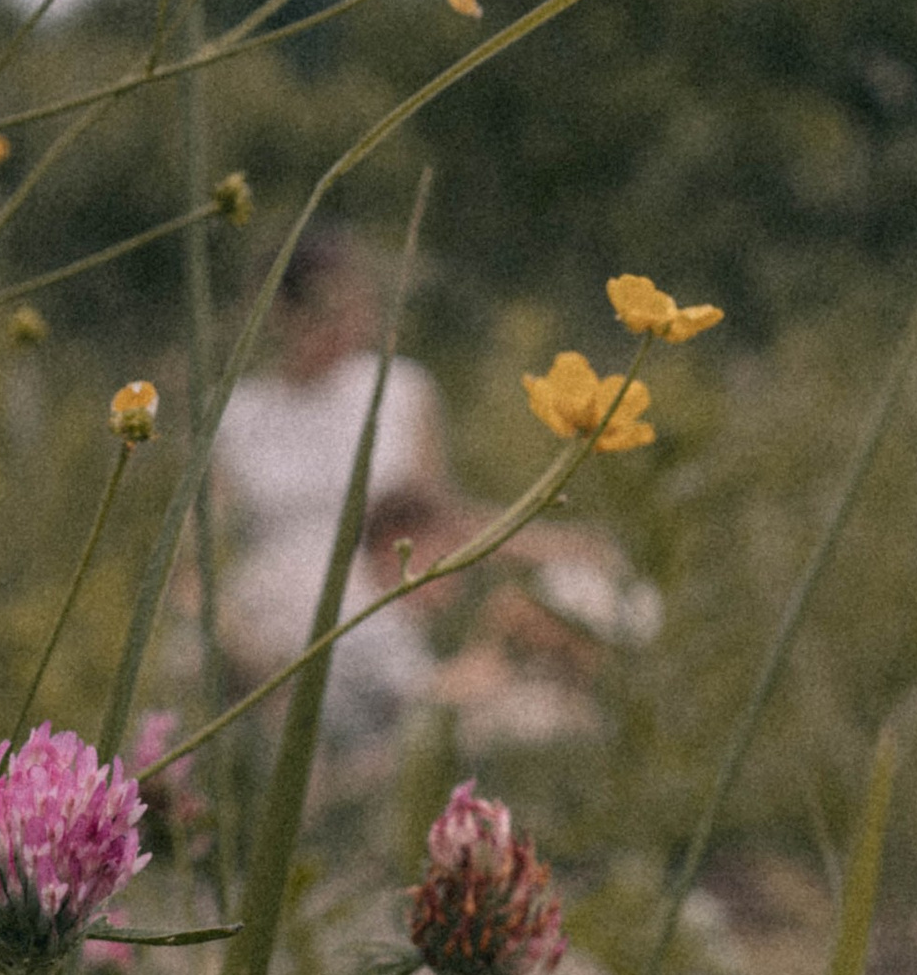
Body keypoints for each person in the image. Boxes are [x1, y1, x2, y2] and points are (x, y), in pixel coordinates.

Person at [212, 230, 660, 755]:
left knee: (567, 636)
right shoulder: (239, 415)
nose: (350, 320)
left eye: (355, 303)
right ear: (280, 314)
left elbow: (441, 524)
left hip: (376, 605)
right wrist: (233, 635)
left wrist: (556, 545)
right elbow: (196, 561)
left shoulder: (400, 390)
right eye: (326, 306)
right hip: (270, 616)